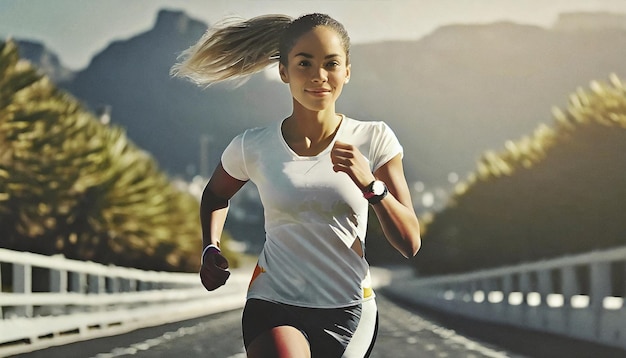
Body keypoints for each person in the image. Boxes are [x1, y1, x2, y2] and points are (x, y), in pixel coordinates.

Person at [171, 13, 421, 358]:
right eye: (304, 63)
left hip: (348, 309)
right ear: (284, 72)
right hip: (273, 301)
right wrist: (209, 248)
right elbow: (215, 194)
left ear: (347, 71)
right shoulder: (253, 146)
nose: (319, 76)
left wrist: (371, 185)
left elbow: (410, 243)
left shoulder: (374, 138)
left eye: (331, 64)